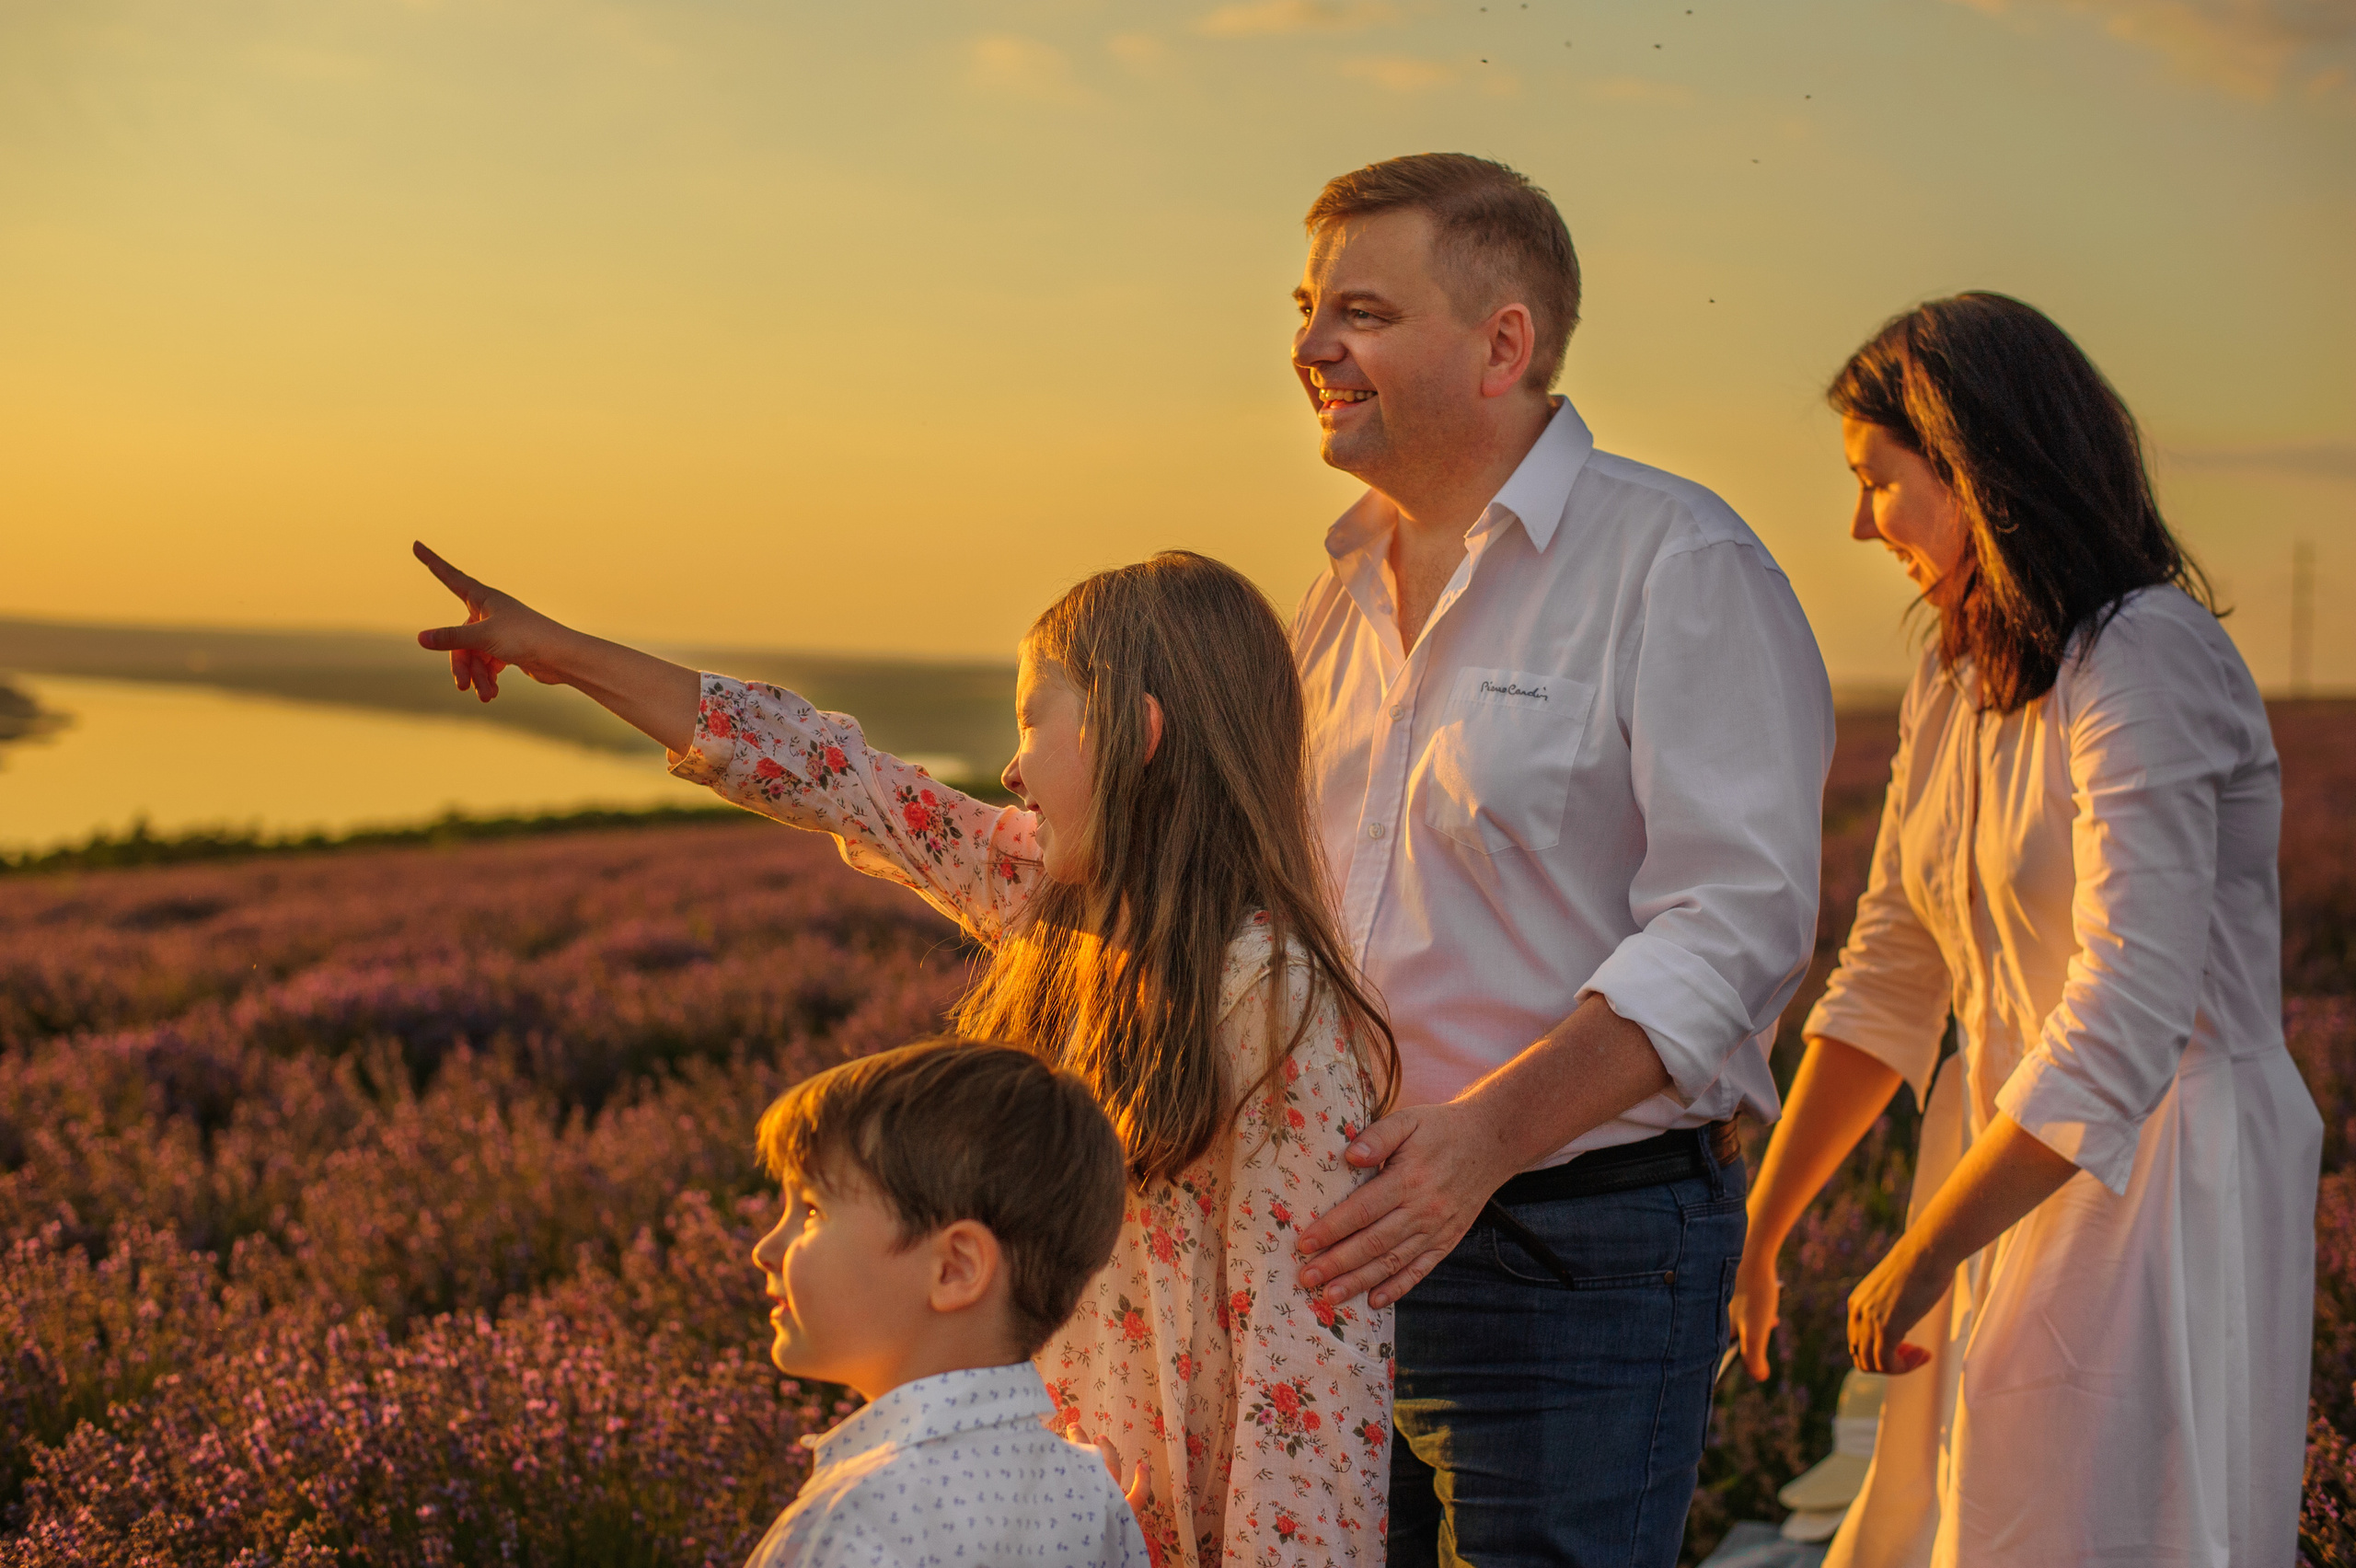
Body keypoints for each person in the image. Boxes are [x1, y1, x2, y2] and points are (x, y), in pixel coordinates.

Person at [411, 547, 1400, 1567]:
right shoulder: (1048, 910)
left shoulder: (1269, 1000)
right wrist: (556, 652)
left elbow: (1311, 1392)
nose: (1011, 770)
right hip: (1019, 1517)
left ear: (1134, 736)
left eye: (1033, 724)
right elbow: (831, 775)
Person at [1277, 154, 1837, 1564]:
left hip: (1574, 1258)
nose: (1310, 347)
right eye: (1306, 310)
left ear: (1503, 344)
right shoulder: (1330, 597)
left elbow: (1735, 929)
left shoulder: (1679, 561)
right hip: (1341, 1251)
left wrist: (1484, 1139)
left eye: (1360, 312)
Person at [1730, 293, 2322, 1565]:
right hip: (2006, 1155)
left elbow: (2127, 1015)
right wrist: (1762, 1228)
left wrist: (1924, 1249)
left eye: (1876, 481)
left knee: (2116, 1527)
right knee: (1981, 1516)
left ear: (1974, 466)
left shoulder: (2146, 656)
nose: (1858, 523)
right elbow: (1893, 966)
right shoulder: (1956, 676)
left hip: (2161, 1173)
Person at [742, 1039, 1148, 1567]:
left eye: (812, 1211)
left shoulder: (846, 1527)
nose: (765, 1248)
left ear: (955, 1267)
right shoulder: (1091, 1497)